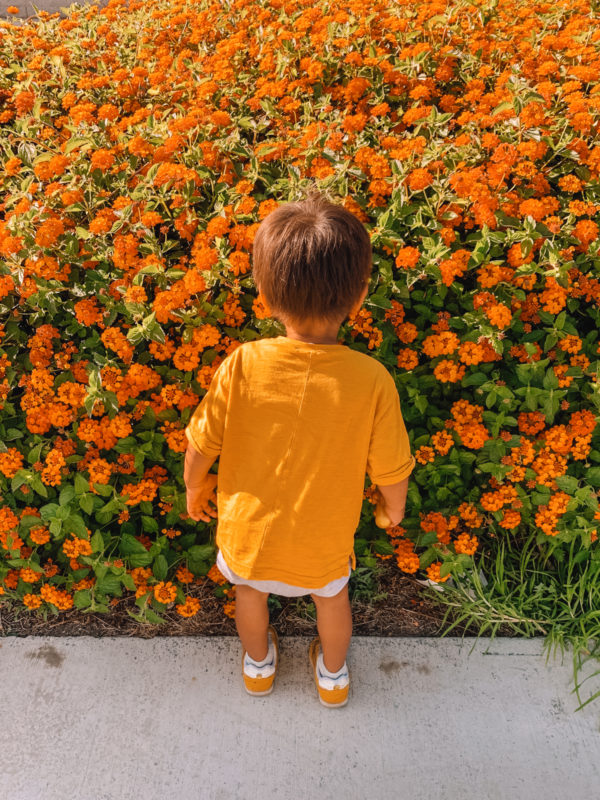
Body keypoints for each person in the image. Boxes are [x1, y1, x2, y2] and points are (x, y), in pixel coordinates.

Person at [184, 189, 415, 708]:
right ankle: (333, 679)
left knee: (249, 594)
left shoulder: (243, 363)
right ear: (359, 298)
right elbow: (392, 467)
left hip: (249, 534)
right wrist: (390, 510)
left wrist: (194, 489)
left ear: (264, 297)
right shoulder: (370, 379)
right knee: (332, 597)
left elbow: (202, 441)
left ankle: (259, 668)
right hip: (324, 538)